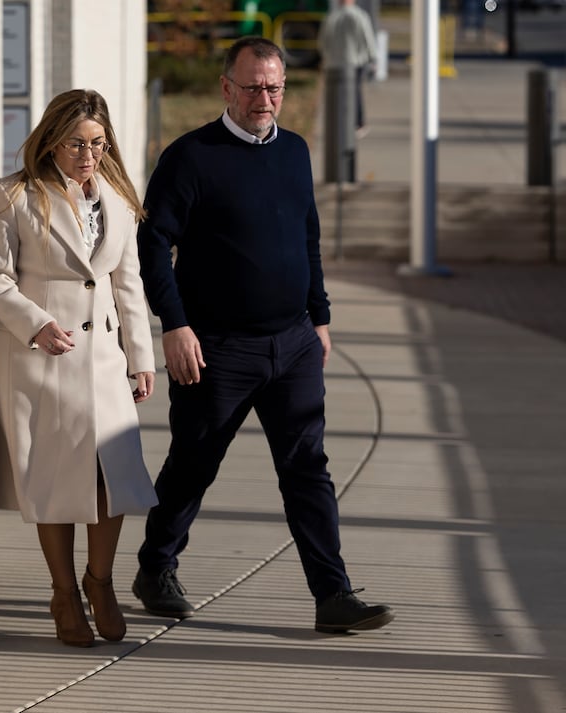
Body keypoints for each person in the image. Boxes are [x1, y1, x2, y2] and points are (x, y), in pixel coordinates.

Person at [132, 36, 395, 634]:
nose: (264, 97)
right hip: (217, 348)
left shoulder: (296, 151)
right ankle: (155, 566)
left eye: (274, 87)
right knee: (194, 462)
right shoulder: (190, 157)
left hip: (294, 343)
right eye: (252, 86)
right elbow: (152, 244)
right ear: (227, 87)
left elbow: (307, 236)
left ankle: (333, 594)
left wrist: (319, 318)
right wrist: (173, 324)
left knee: (308, 468)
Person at [0, 89, 156, 647]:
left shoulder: (120, 199)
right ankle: (63, 591)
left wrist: (141, 357)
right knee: (54, 481)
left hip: (102, 358)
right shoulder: (13, 195)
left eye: (98, 143)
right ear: (51, 138)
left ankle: (99, 581)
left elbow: (128, 282)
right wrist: (33, 322)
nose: (88, 154)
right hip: (41, 360)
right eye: (77, 142)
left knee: (114, 479)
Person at [318, 0, 378, 135]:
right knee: (355, 93)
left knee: (336, 93)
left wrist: (325, 57)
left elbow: (323, 40)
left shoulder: (331, 17)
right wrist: (373, 58)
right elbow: (367, 37)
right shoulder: (360, 16)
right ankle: (358, 123)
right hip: (355, 62)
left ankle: (338, 122)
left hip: (334, 63)